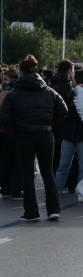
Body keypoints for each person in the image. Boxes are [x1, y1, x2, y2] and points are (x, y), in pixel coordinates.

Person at [0, 55, 68, 222]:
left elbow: (4, 115)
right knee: (48, 173)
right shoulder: (49, 91)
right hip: (45, 134)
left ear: (21, 72)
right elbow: (63, 110)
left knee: (27, 174)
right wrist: (51, 125)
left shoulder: (14, 93)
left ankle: (31, 212)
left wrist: (15, 130)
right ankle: (53, 210)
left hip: (24, 136)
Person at [54, 70, 83, 203]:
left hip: (81, 136)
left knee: (82, 166)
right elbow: (65, 113)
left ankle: (81, 191)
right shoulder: (70, 94)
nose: (72, 80)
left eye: (74, 78)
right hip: (70, 135)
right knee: (64, 165)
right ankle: (56, 191)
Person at [0, 67, 22, 200]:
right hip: (9, 130)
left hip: (7, 129)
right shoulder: (8, 92)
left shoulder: (8, 91)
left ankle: (8, 188)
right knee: (13, 160)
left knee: (7, 160)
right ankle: (12, 189)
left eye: (6, 79)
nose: (4, 81)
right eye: (3, 79)